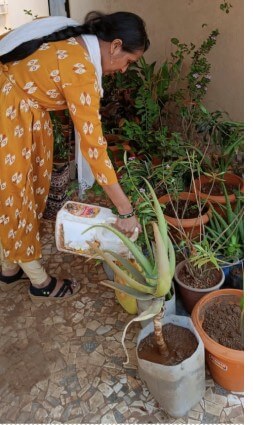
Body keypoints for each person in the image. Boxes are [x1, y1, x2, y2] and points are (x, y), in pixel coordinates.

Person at [0, 12, 148, 300]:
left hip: (19, 108)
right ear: (115, 46)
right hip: (8, 112)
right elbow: (94, 149)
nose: (124, 70)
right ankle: (38, 281)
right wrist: (125, 211)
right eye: (129, 62)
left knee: (20, 191)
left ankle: (9, 267)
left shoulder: (69, 33)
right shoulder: (80, 69)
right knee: (16, 195)